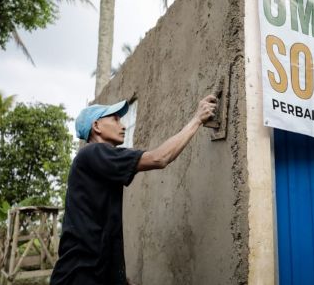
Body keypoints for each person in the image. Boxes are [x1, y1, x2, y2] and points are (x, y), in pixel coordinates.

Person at [50, 95, 217, 285]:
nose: (122, 126)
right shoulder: (93, 152)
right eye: (115, 119)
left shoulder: (97, 162)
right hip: (79, 277)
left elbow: (101, 231)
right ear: (96, 126)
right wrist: (197, 119)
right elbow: (159, 158)